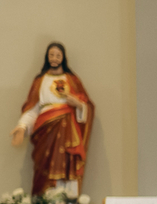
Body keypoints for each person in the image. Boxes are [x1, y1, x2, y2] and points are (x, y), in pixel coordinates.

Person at [10, 42, 94, 195]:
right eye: (51, 55)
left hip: (68, 133)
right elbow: (33, 108)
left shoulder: (72, 80)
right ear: (47, 57)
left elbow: (87, 106)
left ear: (63, 58)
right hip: (46, 133)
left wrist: (78, 104)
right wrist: (22, 126)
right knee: (45, 170)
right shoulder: (39, 81)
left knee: (67, 170)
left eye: (58, 55)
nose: (54, 58)